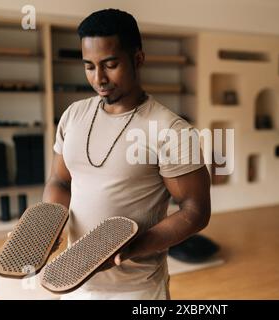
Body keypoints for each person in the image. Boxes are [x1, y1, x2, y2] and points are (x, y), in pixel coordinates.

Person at [42, 8, 211, 300]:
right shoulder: (73, 115)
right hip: (74, 280)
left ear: (138, 59)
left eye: (110, 65)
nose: (99, 78)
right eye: (89, 66)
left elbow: (195, 211)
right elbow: (60, 181)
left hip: (136, 289)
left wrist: (132, 246)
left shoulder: (170, 129)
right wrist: (47, 227)